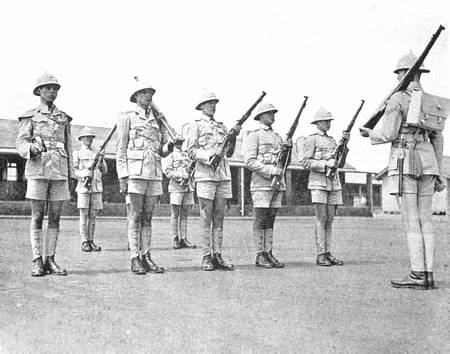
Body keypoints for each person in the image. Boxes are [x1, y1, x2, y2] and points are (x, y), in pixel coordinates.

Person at [360, 52, 445, 289]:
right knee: (426, 220)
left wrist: (370, 134)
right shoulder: (430, 100)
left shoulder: (398, 98)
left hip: (404, 159)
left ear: (403, 74)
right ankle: (428, 274)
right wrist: (437, 169)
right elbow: (438, 137)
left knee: (411, 220)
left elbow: (387, 133)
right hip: (428, 161)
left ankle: (417, 274)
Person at [116, 79, 179, 275]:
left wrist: (171, 145)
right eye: (144, 92)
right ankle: (135, 257)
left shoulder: (158, 120)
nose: (148, 96)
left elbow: (161, 150)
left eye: (150, 92)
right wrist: (123, 176)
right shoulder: (126, 117)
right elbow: (120, 149)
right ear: (135, 96)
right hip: (135, 173)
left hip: (154, 173)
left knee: (148, 216)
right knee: (135, 215)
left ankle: (146, 255)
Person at [16, 73, 73, 276]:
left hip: (59, 171)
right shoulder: (29, 116)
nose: (52, 91)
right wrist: (31, 149)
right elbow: (21, 143)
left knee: (56, 217)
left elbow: (69, 146)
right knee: (38, 216)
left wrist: (70, 174)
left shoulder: (64, 118)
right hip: (38, 169)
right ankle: (37, 259)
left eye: (55, 88)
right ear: (39, 91)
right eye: (47, 88)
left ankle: (51, 259)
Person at [183, 91, 239, 271]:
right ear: (201, 106)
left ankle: (218, 254)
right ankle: (206, 255)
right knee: (206, 215)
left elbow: (229, 153)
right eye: (208, 103)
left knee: (220, 216)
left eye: (214, 103)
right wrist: (209, 156)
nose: (212, 106)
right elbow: (191, 151)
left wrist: (234, 137)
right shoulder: (195, 126)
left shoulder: (222, 126)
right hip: (205, 174)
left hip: (222, 174)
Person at [301, 108, 347, 267]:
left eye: (329, 121)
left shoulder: (333, 141)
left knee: (330, 219)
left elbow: (340, 162)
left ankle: (328, 252)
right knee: (321, 218)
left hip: (333, 183)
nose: (328, 123)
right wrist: (324, 163)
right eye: (325, 121)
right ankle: (321, 254)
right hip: (318, 183)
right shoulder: (312, 139)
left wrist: (344, 145)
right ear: (317, 122)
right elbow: (305, 162)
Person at [244, 103, 286, 268]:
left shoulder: (277, 137)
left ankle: (268, 252)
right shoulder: (254, 136)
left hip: (276, 185)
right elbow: (249, 161)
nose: (272, 116)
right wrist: (270, 170)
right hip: (261, 183)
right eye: (268, 113)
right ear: (260, 116)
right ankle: (259, 254)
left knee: (271, 219)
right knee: (260, 218)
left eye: (273, 113)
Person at [73, 127, 108, 252]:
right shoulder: (77, 152)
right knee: (84, 214)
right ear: (81, 139)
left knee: (93, 215)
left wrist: (101, 159)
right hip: (83, 186)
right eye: (86, 137)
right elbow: (74, 171)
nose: (88, 139)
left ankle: (91, 240)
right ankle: (84, 241)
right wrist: (84, 175)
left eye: (90, 137)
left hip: (96, 186)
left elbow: (104, 170)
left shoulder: (97, 152)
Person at [162, 140, 196, 250]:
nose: (180, 143)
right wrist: (182, 175)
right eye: (178, 141)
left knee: (185, 214)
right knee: (175, 213)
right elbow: (167, 172)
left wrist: (190, 174)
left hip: (188, 187)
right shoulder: (170, 154)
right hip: (176, 187)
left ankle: (184, 238)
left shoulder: (187, 153)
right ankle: (175, 238)